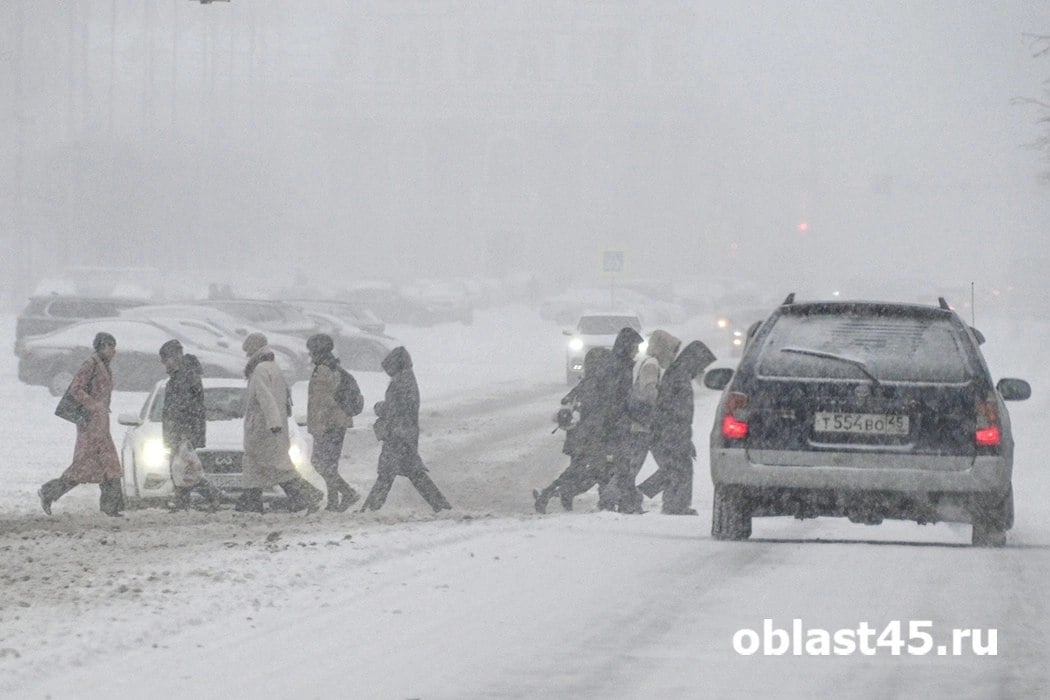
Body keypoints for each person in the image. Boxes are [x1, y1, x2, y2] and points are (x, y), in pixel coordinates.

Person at [235, 332, 324, 514]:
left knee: (277, 467)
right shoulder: (273, 367)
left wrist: (273, 423)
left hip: (263, 429)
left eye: (247, 351)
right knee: (257, 466)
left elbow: (266, 398)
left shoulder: (260, 370)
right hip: (271, 427)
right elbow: (284, 398)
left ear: (253, 349)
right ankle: (250, 502)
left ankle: (307, 495)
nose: (246, 355)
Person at [38, 332, 125, 517]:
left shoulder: (103, 365)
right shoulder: (90, 364)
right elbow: (76, 388)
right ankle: (48, 492)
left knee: (109, 465)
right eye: (110, 347)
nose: (113, 351)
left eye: (114, 347)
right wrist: (94, 405)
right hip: (90, 425)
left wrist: (101, 408)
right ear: (101, 347)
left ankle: (111, 507)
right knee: (83, 467)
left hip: (101, 424)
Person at [360, 347, 451, 514]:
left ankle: (371, 507)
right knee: (411, 473)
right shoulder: (406, 379)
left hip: (398, 434)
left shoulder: (401, 382)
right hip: (404, 433)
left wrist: (380, 408)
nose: (388, 373)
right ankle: (441, 504)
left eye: (389, 369)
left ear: (396, 365)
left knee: (388, 473)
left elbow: (396, 409)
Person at [638, 340, 717, 514]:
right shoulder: (679, 377)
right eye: (701, 365)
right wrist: (680, 436)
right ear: (693, 361)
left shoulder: (678, 374)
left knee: (676, 468)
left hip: (671, 430)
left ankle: (672, 504)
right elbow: (674, 410)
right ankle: (672, 503)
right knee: (679, 468)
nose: (700, 370)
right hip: (671, 431)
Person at [532, 347, 610, 513]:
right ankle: (556, 493)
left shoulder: (586, 383)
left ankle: (552, 493)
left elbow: (566, 399)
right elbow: (596, 412)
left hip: (578, 437)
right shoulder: (596, 385)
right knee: (596, 471)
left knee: (578, 470)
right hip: (589, 437)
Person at [159, 339, 223, 511]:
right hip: (181, 430)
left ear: (176, 357)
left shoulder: (185, 377)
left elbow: (186, 407)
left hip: (183, 431)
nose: (164, 364)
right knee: (181, 467)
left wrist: (184, 432)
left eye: (166, 359)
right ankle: (184, 501)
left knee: (183, 467)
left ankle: (208, 494)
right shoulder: (181, 376)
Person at [623, 330, 681, 512]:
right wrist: (665, 405)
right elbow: (649, 392)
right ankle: (625, 497)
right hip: (646, 425)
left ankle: (629, 496)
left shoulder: (647, 363)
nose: (673, 355)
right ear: (662, 348)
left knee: (634, 467)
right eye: (671, 350)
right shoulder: (652, 365)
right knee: (670, 466)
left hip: (645, 425)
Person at [306, 333, 361, 512]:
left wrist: (317, 425)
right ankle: (334, 501)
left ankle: (346, 494)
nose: (309, 354)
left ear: (317, 351)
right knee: (329, 464)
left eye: (311, 350)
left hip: (329, 423)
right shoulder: (334, 366)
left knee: (319, 463)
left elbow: (321, 401)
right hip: (338, 422)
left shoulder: (322, 370)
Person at [597, 327, 644, 512]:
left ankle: (624, 502)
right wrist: (634, 413)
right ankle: (620, 502)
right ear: (627, 347)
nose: (637, 351)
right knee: (623, 465)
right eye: (634, 347)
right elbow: (620, 398)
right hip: (616, 423)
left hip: (612, 422)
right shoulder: (620, 368)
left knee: (617, 465)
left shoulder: (617, 365)